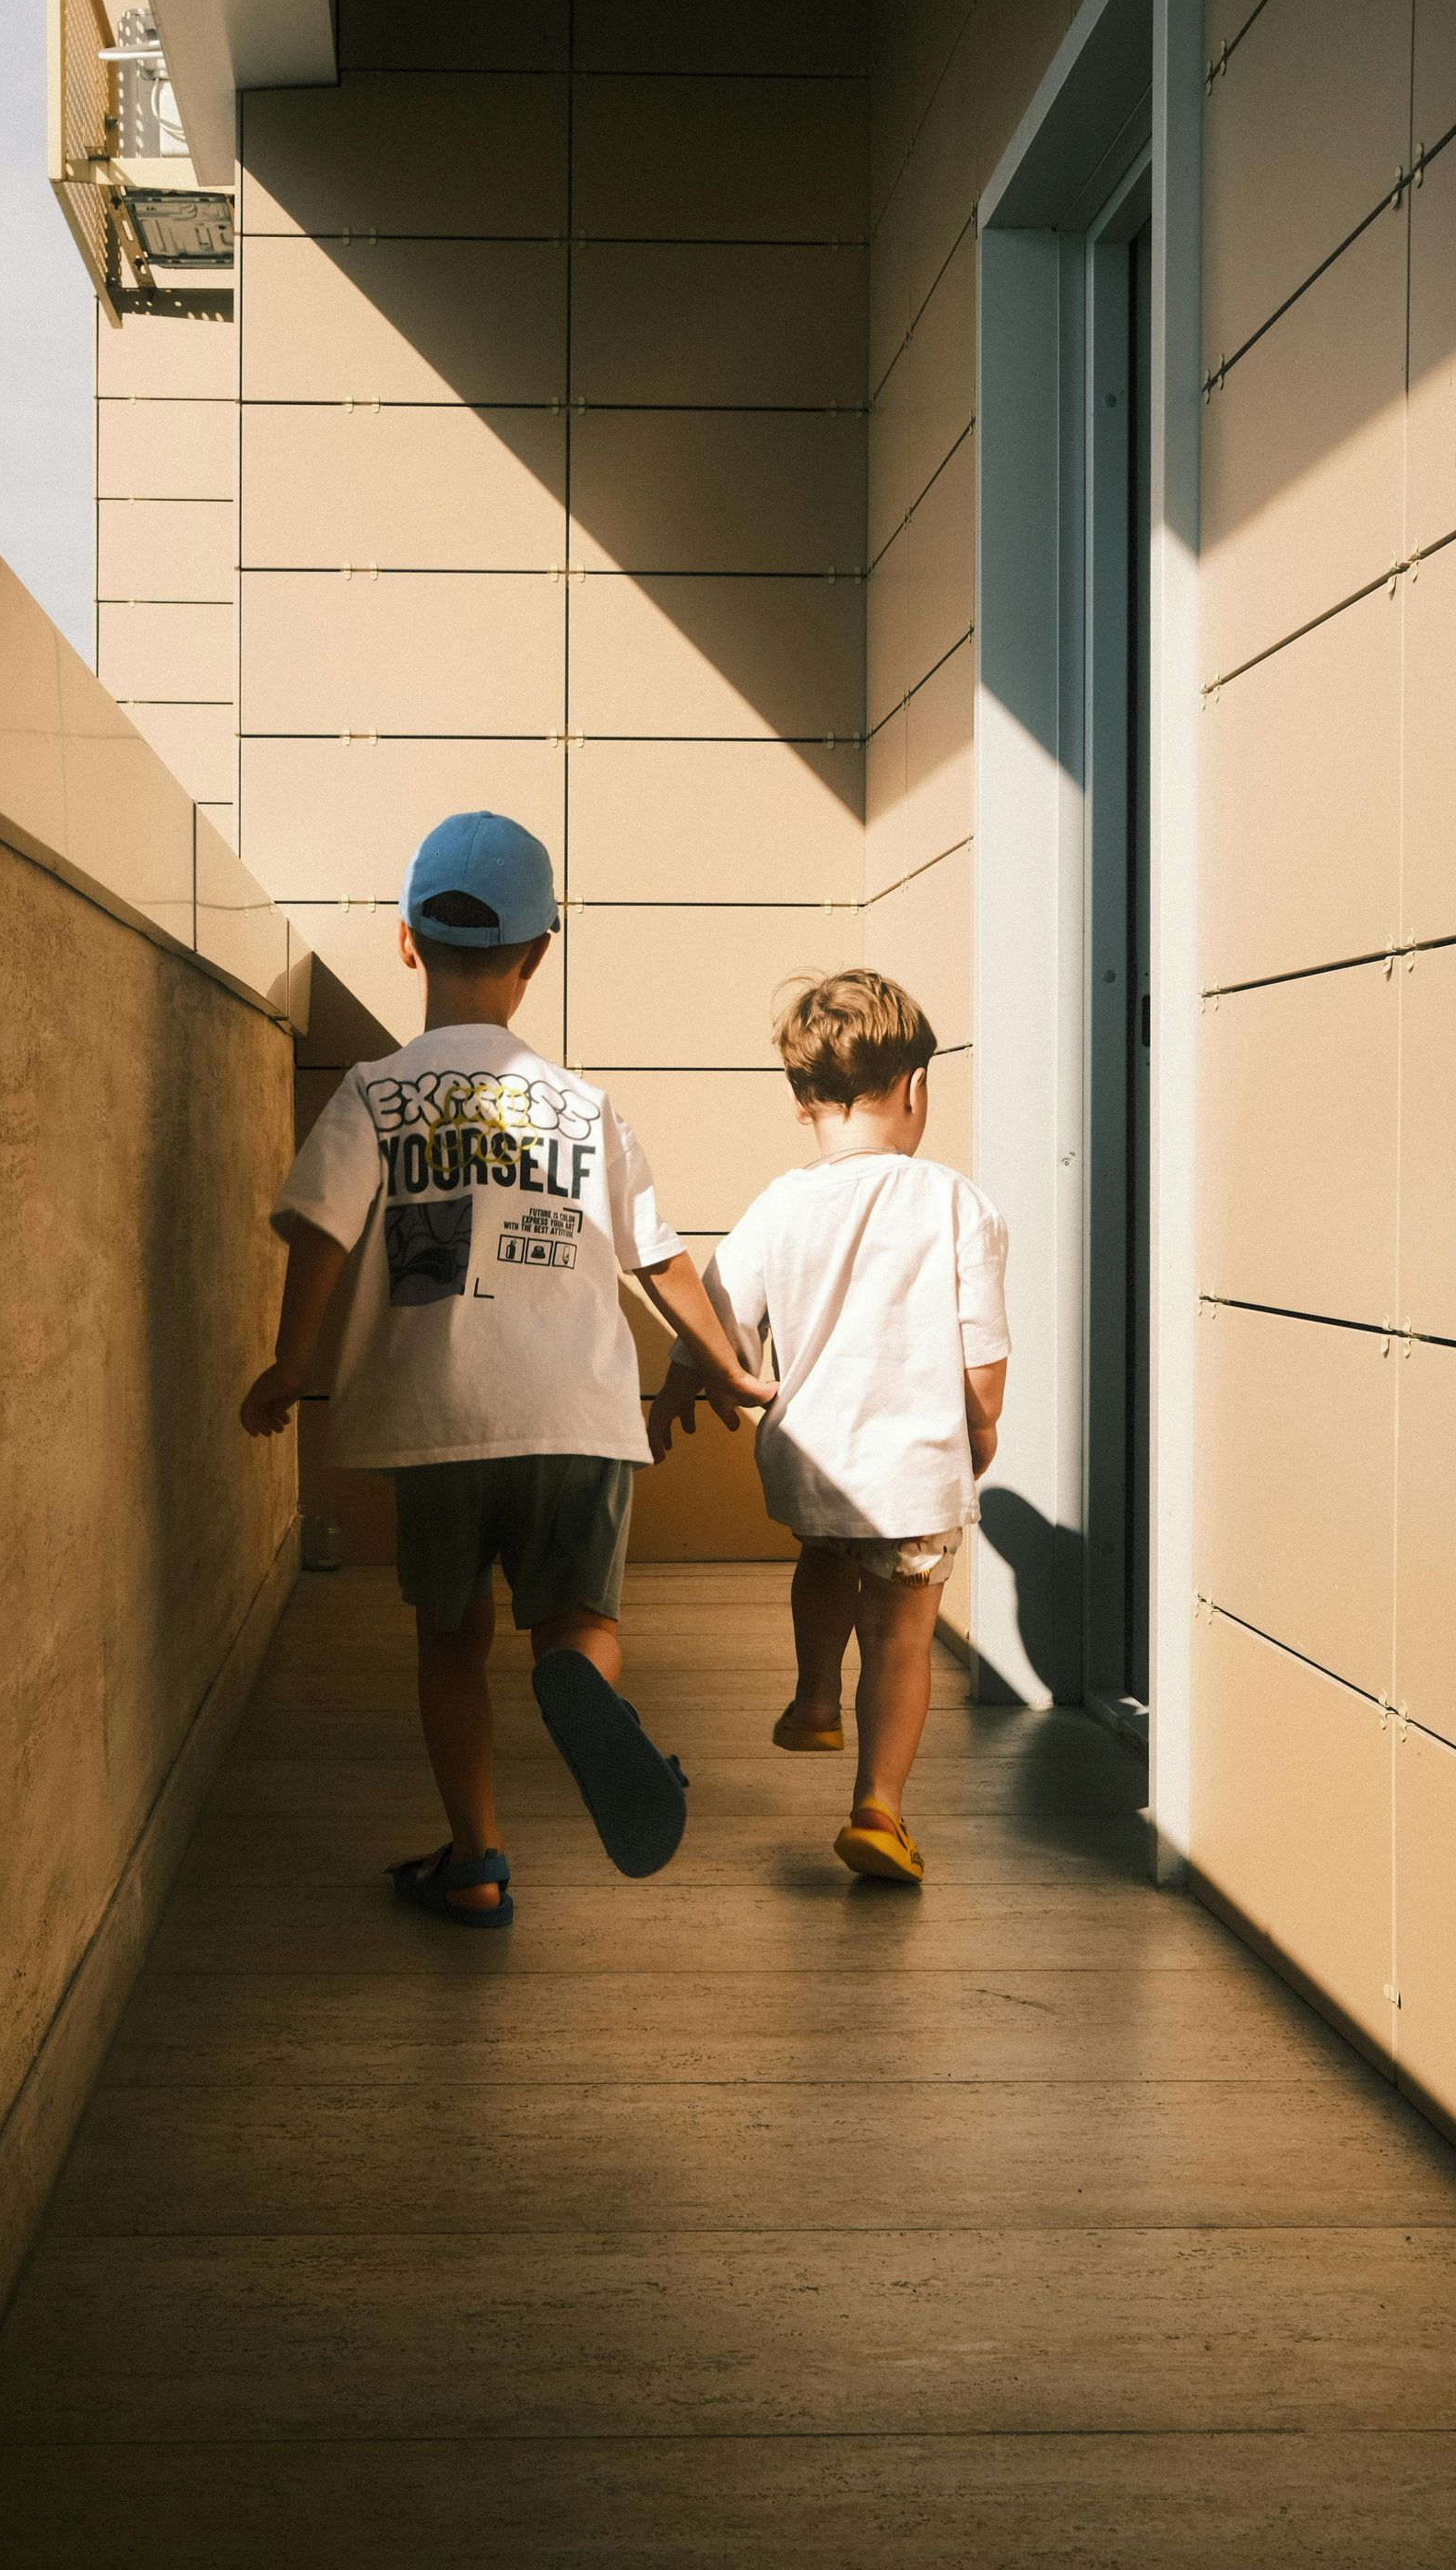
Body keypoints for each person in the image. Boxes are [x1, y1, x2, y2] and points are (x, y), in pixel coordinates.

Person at [240, 811, 775, 1928]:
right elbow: (660, 1259)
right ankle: (582, 1681)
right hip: (576, 1415)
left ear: (404, 943)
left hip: (438, 1420)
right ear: (539, 955)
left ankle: (477, 1860)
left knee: (451, 1637)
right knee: (579, 1617)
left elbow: (323, 1238)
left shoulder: (375, 1093)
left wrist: (292, 1366)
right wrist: (726, 1366)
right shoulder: (585, 1107)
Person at [648, 969, 1009, 1885]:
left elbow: (714, 1317)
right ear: (917, 1088)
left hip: (811, 1468)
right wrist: (982, 1428)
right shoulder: (956, 1203)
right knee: (900, 1636)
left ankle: (814, 1695)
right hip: (916, 1470)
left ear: (801, 1101)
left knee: (825, 1558)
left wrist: (678, 1392)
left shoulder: (780, 1204)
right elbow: (982, 1357)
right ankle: (879, 1809)